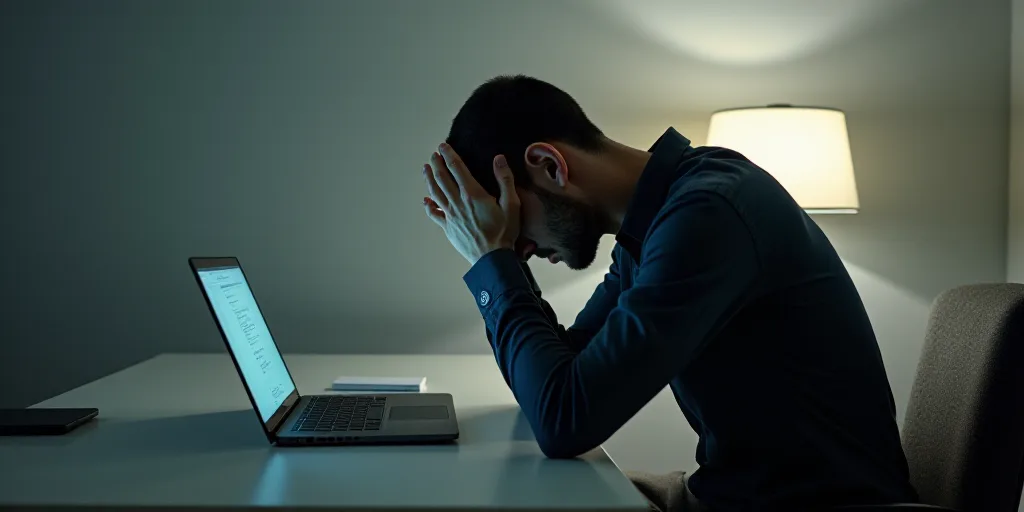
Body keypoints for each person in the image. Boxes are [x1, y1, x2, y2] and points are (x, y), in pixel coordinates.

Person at [420, 75, 918, 511]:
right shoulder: (658, 221)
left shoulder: (708, 213)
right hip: (731, 498)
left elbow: (562, 420)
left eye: (513, 223)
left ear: (550, 165)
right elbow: (559, 374)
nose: (522, 249)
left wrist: (494, 262)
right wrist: (499, 263)